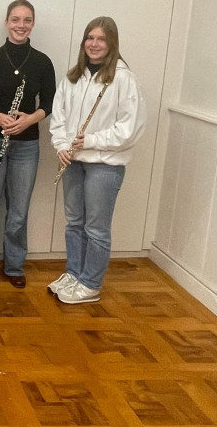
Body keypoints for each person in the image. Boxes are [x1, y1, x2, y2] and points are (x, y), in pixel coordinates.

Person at [49, 16, 146, 304]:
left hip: (105, 165)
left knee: (96, 227)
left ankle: (90, 284)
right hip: (73, 161)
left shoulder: (124, 79)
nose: (94, 44)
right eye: (90, 38)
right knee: (74, 222)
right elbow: (60, 116)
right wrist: (62, 145)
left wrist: (90, 141)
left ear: (112, 43)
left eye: (101, 39)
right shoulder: (73, 76)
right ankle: (74, 273)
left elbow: (131, 129)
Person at [0, 0, 56, 288]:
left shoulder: (42, 62)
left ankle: (13, 265)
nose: (21, 25)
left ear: (33, 23)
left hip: (26, 145)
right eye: (16, 19)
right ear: (6, 22)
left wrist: (30, 119)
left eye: (27, 20)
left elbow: (48, 103)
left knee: (19, 209)